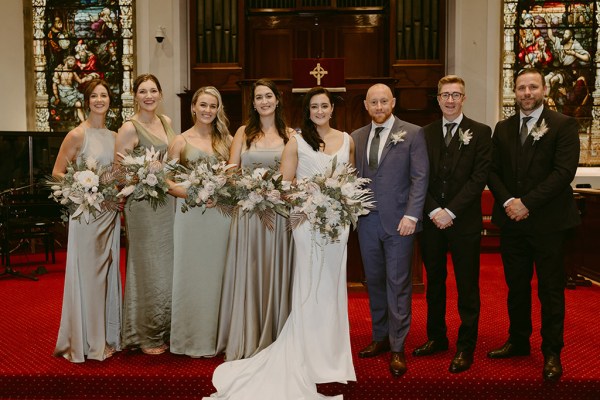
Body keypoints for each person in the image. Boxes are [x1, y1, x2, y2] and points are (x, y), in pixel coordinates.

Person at [204, 87, 356, 399]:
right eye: (314, 106)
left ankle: (334, 355)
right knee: (307, 285)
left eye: (324, 105)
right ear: (307, 109)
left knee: (332, 286)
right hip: (302, 219)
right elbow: (286, 183)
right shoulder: (296, 141)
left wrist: (339, 200)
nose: (319, 110)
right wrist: (309, 195)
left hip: (336, 225)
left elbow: (350, 180)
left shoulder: (344, 139)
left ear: (332, 108)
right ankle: (305, 350)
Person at [487, 67, 580, 382]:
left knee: (551, 289)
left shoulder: (563, 125)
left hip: (549, 222)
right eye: (521, 88)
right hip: (513, 222)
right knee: (516, 286)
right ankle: (518, 340)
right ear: (515, 92)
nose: (527, 93)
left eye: (532, 87)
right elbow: (493, 171)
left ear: (543, 90)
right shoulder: (503, 128)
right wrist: (508, 203)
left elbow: (563, 172)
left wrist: (527, 203)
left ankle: (552, 350)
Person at [412, 75, 492, 373]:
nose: (450, 100)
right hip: (432, 220)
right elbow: (418, 175)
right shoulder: (425, 133)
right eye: (445, 94)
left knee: (467, 285)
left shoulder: (481, 133)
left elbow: (479, 177)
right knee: (434, 283)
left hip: (464, 222)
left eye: (455, 95)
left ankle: (466, 345)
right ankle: (437, 337)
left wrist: (451, 211)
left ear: (463, 98)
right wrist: (434, 210)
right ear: (437, 98)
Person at [351, 83, 429, 377]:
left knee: (398, 285)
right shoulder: (357, 137)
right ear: (366, 106)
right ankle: (380, 337)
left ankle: (398, 347)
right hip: (367, 222)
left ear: (393, 102)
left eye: (384, 101)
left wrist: (412, 215)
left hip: (400, 223)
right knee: (374, 282)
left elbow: (420, 178)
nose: (380, 107)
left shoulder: (412, 133)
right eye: (374, 102)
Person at [215, 79, 295, 360]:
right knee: (249, 271)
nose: (264, 101)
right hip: (248, 213)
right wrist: (249, 188)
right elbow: (230, 171)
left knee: (274, 270)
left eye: (268, 96)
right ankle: (247, 334)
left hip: (277, 213)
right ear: (254, 103)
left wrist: (271, 192)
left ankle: (276, 333)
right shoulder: (242, 133)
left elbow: (291, 176)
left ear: (277, 100)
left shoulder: (289, 135)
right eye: (259, 97)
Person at [53, 79, 121, 362]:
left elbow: (117, 175)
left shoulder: (116, 136)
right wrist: (83, 189)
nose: (99, 100)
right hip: (87, 215)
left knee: (107, 275)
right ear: (86, 100)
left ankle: (107, 335)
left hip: (110, 213)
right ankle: (89, 341)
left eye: (104, 95)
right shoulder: (77, 135)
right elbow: (58, 173)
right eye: (94, 95)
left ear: (110, 100)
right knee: (90, 278)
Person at [115, 73, 177, 355]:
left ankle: (167, 327)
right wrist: (143, 174)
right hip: (142, 204)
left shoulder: (167, 122)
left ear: (161, 94)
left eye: (153, 90)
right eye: (143, 91)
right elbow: (118, 172)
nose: (149, 96)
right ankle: (147, 333)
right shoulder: (129, 128)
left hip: (168, 203)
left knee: (168, 269)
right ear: (135, 95)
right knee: (149, 268)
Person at [168, 86, 232, 357]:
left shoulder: (227, 141)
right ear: (193, 107)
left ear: (218, 110)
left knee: (220, 274)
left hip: (220, 216)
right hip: (191, 216)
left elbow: (235, 175)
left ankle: (220, 337)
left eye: (213, 106)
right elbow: (165, 180)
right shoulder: (180, 141)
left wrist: (220, 192)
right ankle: (190, 338)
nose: (207, 110)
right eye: (203, 105)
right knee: (191, 274)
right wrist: (192, 192)